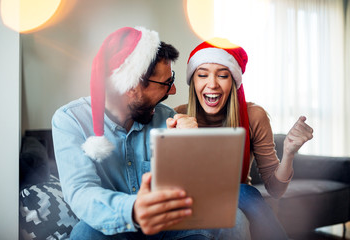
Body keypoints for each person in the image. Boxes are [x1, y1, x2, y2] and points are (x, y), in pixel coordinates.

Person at [52, 27, 250, 239]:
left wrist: (194, 146)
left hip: (168, 228)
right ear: (131, 86)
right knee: (84, 233)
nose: (173, 91)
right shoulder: (70, 121)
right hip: (116, 227)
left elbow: (202, 193)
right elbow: (81, 193)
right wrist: (135, 209)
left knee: (234, 219)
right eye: (167, 83)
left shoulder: (167, 118)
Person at [171, 38, 314, 240]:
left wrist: (289, 153)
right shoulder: (177, 116)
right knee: (247, 193)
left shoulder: (254, 116)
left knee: (242, 201)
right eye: (202, 75)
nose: (212, 84)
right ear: (193, 81)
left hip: (237, 200)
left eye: (222, 75)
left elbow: (275, 189)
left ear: (234, 82)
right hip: (190, 203)